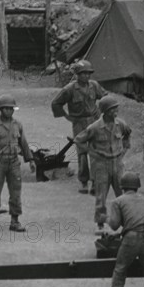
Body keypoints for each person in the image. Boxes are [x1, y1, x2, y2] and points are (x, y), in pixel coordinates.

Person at [74, 96, 131, 235]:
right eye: (112, 109)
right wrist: (91, 153)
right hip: (101, 165)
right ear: (105, 111)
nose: (115, 111)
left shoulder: (120, 124)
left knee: (122, 194)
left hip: (117, 164)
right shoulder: (94, 127)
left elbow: (128, 134)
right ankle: (100, 224)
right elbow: (79, 140)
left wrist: (124, 149)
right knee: (101, 195)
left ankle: (126, 222)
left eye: (116, 108)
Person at [51, 60, 107, 194]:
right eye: (83, 73)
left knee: (95, 152)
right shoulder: (69, 89)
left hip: (94, 121)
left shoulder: (94, 86)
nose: (86, 76)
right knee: (82, 153)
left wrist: (100, 110)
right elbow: (56, 103)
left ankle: (94, 182)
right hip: (79, 123)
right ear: (77, 74)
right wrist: (66, 116)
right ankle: (83, 182)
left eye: (88, 73)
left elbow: (105, 97)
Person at [0, 94, 36, 232]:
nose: (9, 111)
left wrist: (30, 160)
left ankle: (15, 220)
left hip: (14, 162)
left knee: (16, 191)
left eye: (11, 109)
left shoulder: (17, 125)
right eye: (6, 109)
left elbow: (23, 143)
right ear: (0, 110)